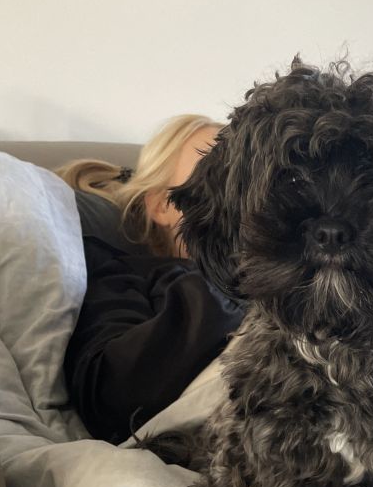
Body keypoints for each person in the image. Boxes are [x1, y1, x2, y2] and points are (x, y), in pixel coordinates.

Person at [57, 115, 245, 444]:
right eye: (215, 170)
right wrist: (222, 282)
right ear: (161, 206)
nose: (239, 192)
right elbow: (112, 396)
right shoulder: (125, 277)